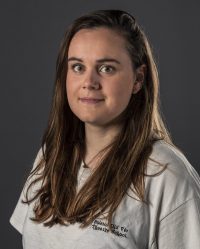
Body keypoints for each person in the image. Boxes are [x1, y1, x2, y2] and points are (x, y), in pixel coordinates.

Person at [10, 9, 200, 249]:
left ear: (138, 79)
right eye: (78, 67)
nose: (89, 83)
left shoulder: (167, 175)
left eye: (107, 68)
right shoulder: (52, 155)